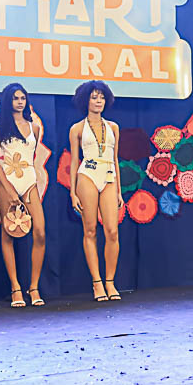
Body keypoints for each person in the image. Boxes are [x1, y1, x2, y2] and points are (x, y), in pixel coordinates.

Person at [0, 83, 47, 308]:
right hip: (7, 183)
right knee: (8, 234)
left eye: (23, 98)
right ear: (8, 101)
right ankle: (15, 288)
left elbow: (31, 159)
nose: (20, 102)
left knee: (40, 232)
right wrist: (10, 190)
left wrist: (31, 186)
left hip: (29, 183)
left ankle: (34, 287)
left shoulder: (35, 128)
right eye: (15, 98)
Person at [68, 80, 123, 302]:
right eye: (94, 97)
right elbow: (74, 161)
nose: (98, 101)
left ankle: (110, 281)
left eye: (101, 97)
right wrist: (72, 192)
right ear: (86, 100)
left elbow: (116, 159)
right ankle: (97, 282)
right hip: (87, 175)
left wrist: (119, 191)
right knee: (90, 230)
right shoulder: (77, 129)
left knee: (112, 231)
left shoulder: (113, 127)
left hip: (108, 176)